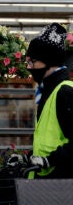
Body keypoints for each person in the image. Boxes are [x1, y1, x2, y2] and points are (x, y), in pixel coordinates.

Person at [25, 22, 73, 178]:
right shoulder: (49, 90)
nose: (28, 66)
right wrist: (28, 157)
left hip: (60, 186)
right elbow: (50, 139)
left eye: (32, 61)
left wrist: (49, 161)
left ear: (49, 61)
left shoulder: (65, 92)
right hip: (49, 185)